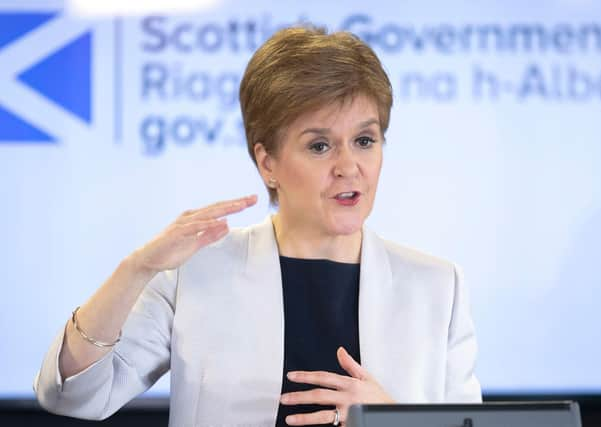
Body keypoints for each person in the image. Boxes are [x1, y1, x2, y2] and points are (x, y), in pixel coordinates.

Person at [34, 26, 481, 426]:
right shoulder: (196, 273)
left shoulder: (437, 286)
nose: (350, 167)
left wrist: (389, 422)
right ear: (267, 162)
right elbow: (73, 395)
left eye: (365, 140)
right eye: (321, 145)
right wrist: (136, 270)